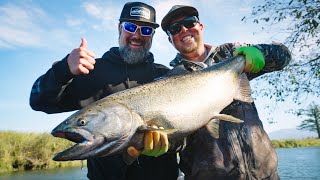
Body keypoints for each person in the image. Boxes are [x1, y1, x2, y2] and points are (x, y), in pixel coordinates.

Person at [29, 2, 179, 180]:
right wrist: (63, 70)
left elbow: (188, 128)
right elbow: (39, 102)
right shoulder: (91, 71)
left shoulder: (166, 76)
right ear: (119, 28)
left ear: (152, 35)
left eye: (146, 30)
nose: (137, 35)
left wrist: (171, 144)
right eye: (130, 27)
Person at [160, 5, 292, 180]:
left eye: (189, 23)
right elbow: (177, 141)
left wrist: (261, 53)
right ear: (170, 39)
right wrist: (164, 142)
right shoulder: (168, 82)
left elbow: (284, 56)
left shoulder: (231, 52)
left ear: (200, 26)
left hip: (265, 175)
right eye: (175, 29)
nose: (184, 30)